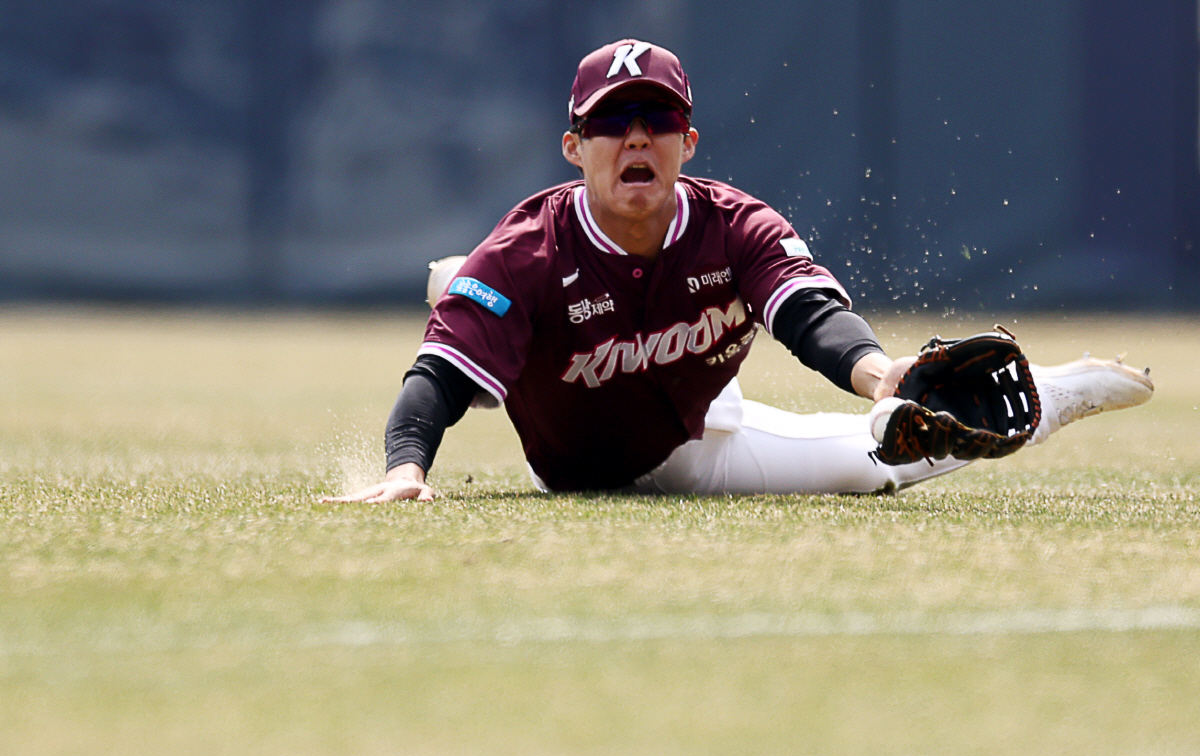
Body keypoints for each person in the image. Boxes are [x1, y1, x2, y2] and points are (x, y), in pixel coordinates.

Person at [324, 39, 1153, 504]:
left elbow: (808, 315)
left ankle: (1058, 392)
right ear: (574, 148)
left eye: (659, 118)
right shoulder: (531, 246)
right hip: (582, 434)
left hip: (684, 437)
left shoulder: (734, 224)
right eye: (611, 122)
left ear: (690, 142)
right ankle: (467, 298)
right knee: (481, 326)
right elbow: (433, 379)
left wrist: (881, 375)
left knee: (883, 453)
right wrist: (406, 469)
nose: (637, 137)